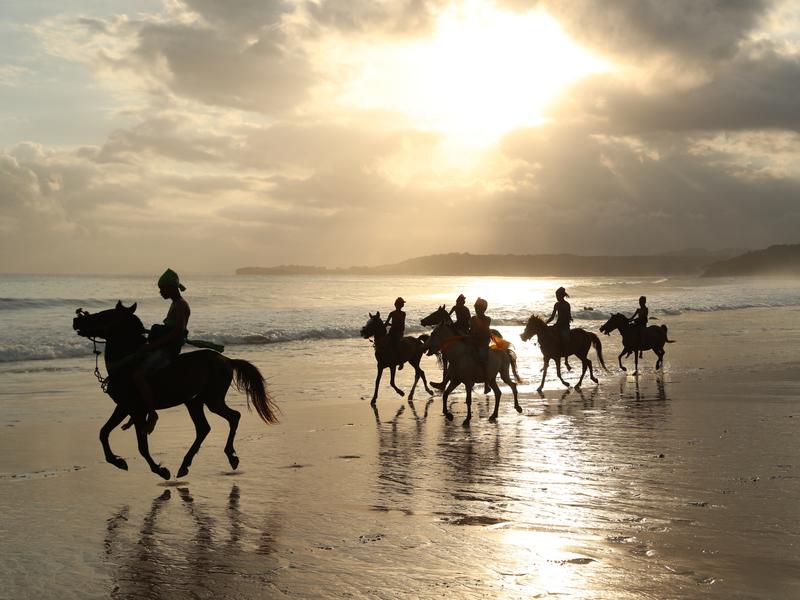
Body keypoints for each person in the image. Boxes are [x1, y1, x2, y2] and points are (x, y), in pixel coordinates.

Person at [132, 268, 191, 434]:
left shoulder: (180, 305)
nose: (160, 292)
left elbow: (177, 332)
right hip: (164, 346)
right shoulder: (176, 303)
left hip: (167, 351)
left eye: (162, 288)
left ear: (172, 288)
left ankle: (152, 413)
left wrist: (152, 345)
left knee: (138, 375)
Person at [469, 297, 492, 378]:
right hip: (473, 340)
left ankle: (486, 382)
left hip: (483, 341)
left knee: (483, 359)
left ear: (483, 309)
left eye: (478, 308)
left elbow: (484, 332)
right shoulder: (473, 318)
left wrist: (475, 335)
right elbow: (471, 330)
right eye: (476, 308)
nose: (476, 310)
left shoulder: (487, 319)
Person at [545, 286, 572, 354]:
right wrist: (545, 323)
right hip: (558, 325)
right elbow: (552, 317)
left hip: (565, 326)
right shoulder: (556, 304)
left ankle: (565, 352)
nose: (557, 297)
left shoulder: (566, 305)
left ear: (562, 296)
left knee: (565, 338)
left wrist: (561, 324)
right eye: (556, 296)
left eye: (558, 296)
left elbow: (568, 317)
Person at [384, 297, 406, 369]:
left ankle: (401, 362)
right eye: (402, 304)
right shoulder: (397, 313)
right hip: (393, 332)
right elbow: (387, 323)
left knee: (398, 345)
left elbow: (400, 324)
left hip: (398, 333)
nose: (402, 305)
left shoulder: (401, 314)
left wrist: (389, 324)